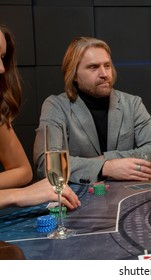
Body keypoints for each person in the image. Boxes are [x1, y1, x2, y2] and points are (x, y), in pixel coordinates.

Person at [33, 37, 151, 184]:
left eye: (107, 65)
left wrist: (106, 159)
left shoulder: (132, 103)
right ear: (73, 75)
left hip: (125, 194)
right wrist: (105, 167)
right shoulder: (56, 106)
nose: (104, 74)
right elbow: (46, 163)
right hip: (79, 198)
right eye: (93, 67)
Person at [0, 25, 80, 209]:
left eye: (3, 57)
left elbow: (22, 171)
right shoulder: (56, 104)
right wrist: (17, 195)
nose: (2, 69)